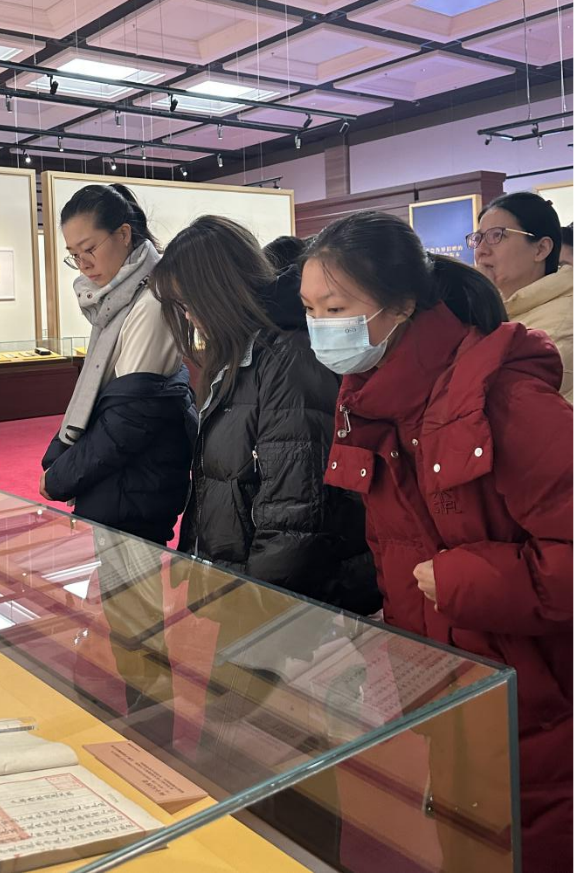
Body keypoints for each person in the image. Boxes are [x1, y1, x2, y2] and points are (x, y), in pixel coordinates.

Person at [301, 209, 574, 873]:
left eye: (335, 308)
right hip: (452, 684)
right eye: (310, 310)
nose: (321, 328)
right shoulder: (372, 403)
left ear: (401, 305)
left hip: (538, 700)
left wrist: (462, 581)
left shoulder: (504, 399)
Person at [152, 215, 379, 614]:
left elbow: (295, 514)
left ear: (216, 290)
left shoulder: (285, 360)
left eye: (189, 303)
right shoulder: (243, 356)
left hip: (281, 604)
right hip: (249, 587)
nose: (188, 316)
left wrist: (257, 606)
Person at [40, 183, 196, 545]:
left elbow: (129, 418)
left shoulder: (152, 301)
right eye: (73, 254)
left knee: (132, 580)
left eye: (89, 249)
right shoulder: (117, 299)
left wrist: (63, 475)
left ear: (124, 234)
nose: (83, 264)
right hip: (121, 481)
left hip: (136, 483)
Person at [472, 191, 574, 401]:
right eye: (478, 238)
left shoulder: (563, 320)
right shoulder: (508, 305)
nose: (481, 250)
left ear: (541, 249)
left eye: (496, 235)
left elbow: (500, 395)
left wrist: (481, 302)